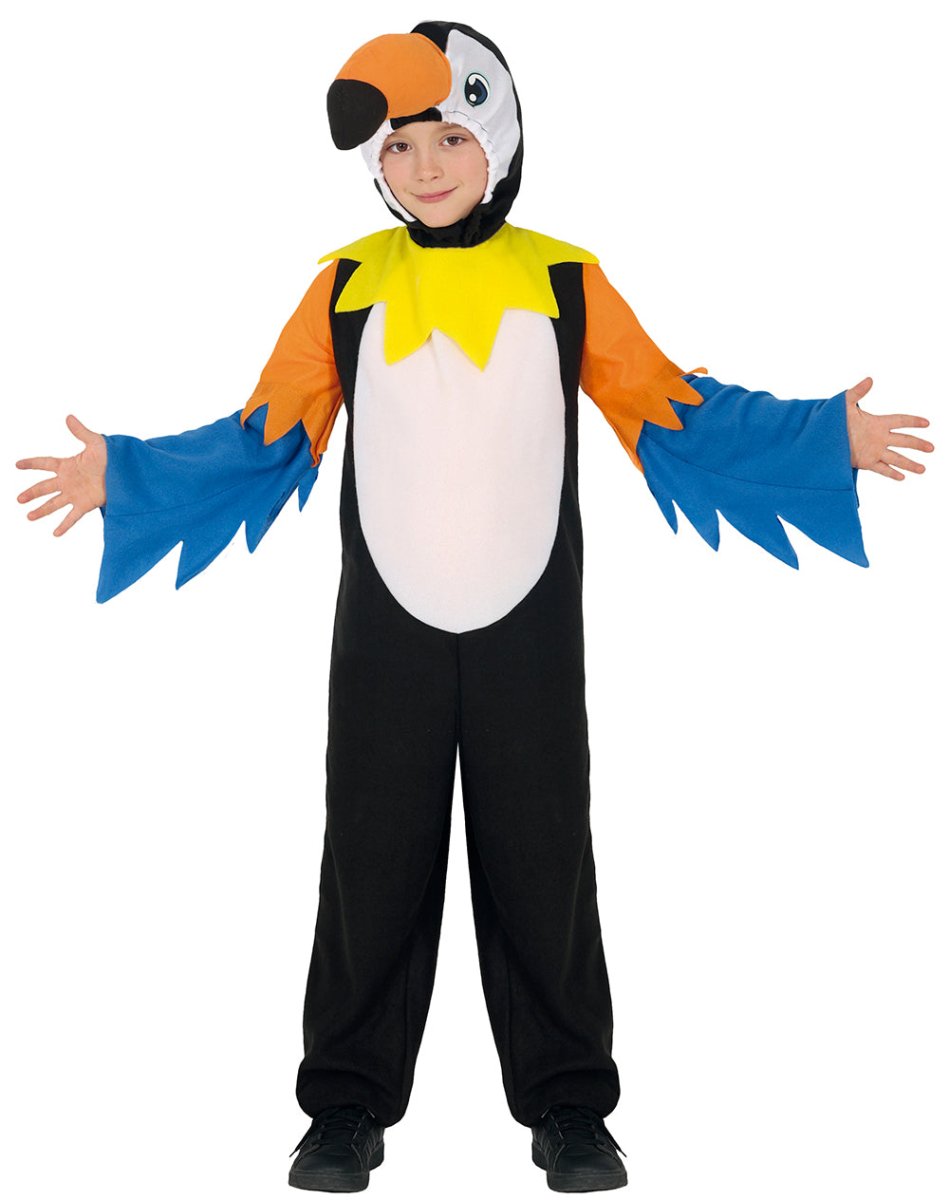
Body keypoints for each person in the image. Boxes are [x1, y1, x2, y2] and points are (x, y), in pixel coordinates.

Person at [14, 20, 933, 1196]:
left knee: (543, 855)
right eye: (399, 148)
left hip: (528, 631)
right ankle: (344, 1107)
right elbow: (266, 435)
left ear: (499, 141)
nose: (427, 165)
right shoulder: (347, 284)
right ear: (376, 167)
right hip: (384, 634)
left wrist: (818, 438)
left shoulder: (564, 279)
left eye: (450, 136)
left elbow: (670, 408)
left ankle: (569, 1105)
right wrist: (130, 474)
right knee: (370, 857)